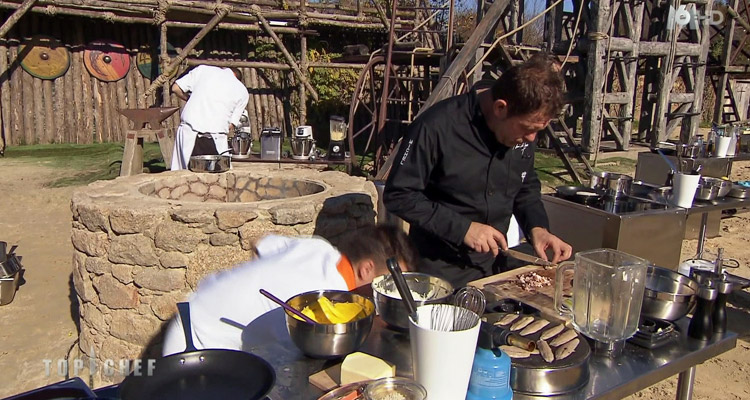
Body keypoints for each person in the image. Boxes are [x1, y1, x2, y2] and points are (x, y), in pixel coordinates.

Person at [383, 54, 573, 289]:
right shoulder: (436, 127)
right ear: (501, 108)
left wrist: (537, 228)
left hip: (496, 268)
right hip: (440, 272)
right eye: (527, 129)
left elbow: (524, 185)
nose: (531, 139)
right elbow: (399, 194)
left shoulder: (522, 127)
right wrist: (464, 229)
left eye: (537, 131)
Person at [162, 224, 418, 355]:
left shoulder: (320, 248)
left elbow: (260, 243)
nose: (393, 295)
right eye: (391, 284)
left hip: (192, 311)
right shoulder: (334, 299)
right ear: (366, 270)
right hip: (197, 344)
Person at [170, 65, 250, 171]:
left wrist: (189, 99)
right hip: (216, 138)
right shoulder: (242, 91)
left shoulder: (203, 70)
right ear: (237, 78)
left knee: (182, 177)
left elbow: (175, 88)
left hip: (188, 132)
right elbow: (231, 125)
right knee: (217, 178)